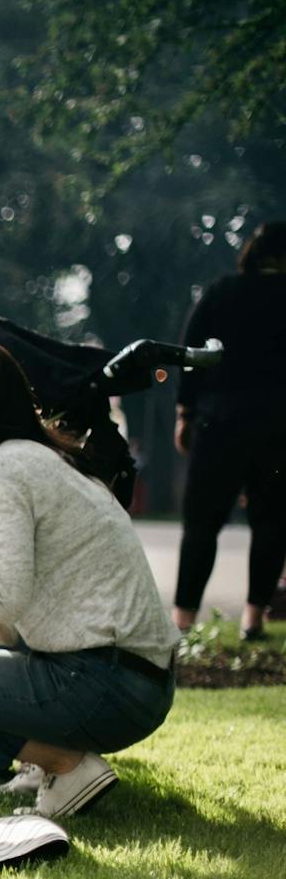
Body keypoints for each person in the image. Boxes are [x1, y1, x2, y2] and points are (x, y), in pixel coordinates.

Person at [0, 336, 180, 818]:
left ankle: (65, 764)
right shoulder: (39, 455)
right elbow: (4, 617)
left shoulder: (1, 473)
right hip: (140, 678)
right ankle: (43, 762)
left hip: (104, 686)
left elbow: (2, 598)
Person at [172, 220, 286, 641]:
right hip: (278, 427)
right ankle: (253, 618)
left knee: (202, 522)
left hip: (219, 422)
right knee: (272, 522)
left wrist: (184, 413)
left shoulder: (221, 292)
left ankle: (183, 620)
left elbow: (192, 355)